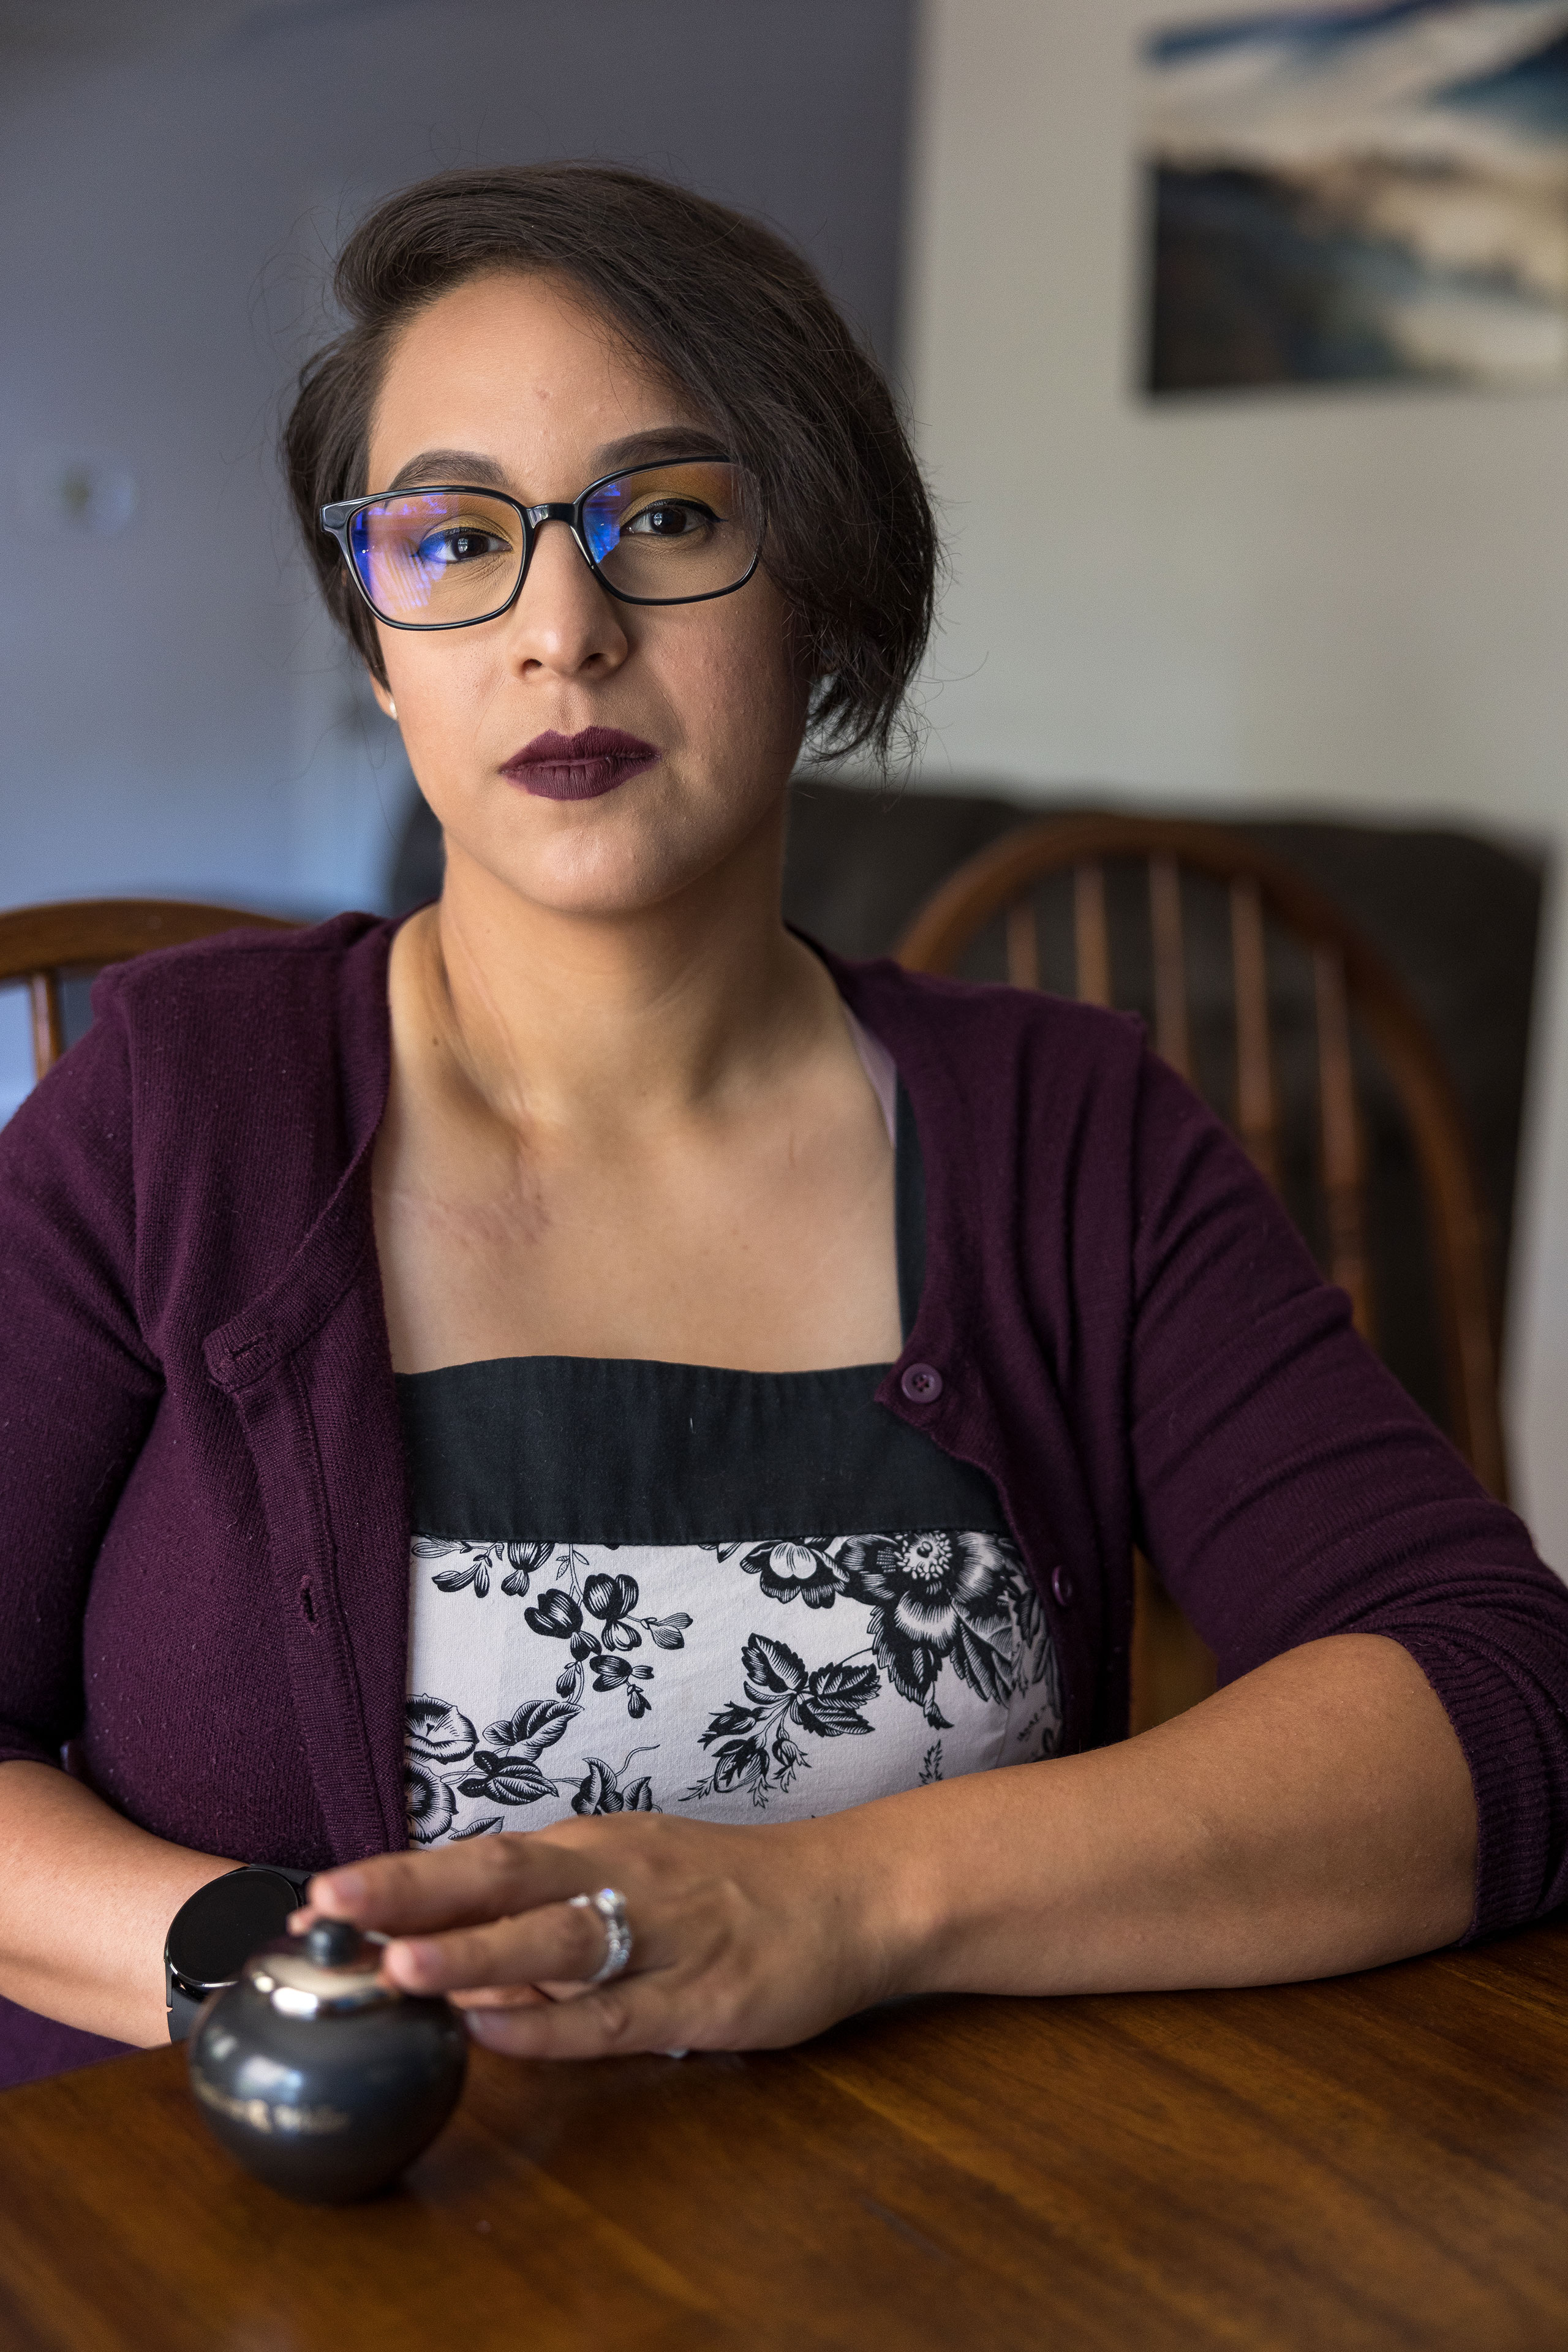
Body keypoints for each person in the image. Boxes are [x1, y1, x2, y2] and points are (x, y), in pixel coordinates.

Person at [3, 165, 1566, 2091]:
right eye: (452, 538)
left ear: (822, 581)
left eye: (666, 516)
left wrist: (842, 1902)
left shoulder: (1068, 1130)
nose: (559, 629)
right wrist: (285, 1974)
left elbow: (1491, 1691)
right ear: (378, 625)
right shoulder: (172, 1104)